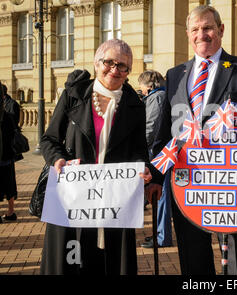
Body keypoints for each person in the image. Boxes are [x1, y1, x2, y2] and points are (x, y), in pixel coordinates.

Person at [148, 5, 237, 275]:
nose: (202, 34)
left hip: (233, 182)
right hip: (188, 180)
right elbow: (164, 130)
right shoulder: (175, 74)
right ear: (188, 34)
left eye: (208, 27)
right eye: (195, 29)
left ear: (221, 30)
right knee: (193, 256)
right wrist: (156, 177)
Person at [39, 39, 153, 275]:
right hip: (73, 200)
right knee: (71, 266)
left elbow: (139, 150)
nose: (114, 70)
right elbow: (49, 139)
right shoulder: (73, 95)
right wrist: (57, 159)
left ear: (129, 71)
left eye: (122, 66)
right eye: (109, 62)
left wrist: (142, 169)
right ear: (96, 63)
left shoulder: (135, 105)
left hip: (114, 203)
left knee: (109, 264)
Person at [137, 70, 173, 248]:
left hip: (158, 155)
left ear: (149, 85)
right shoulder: (161, 96)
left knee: (162, 195)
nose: (141, 91)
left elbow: (151, 127)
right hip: (162, 153)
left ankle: (162, 237)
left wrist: (141, 149)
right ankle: (160, 235)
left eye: (142, 87)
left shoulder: (156, 98)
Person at [0, 84, 21, 222]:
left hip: (5, 154)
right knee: (9, 184)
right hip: (7, 155)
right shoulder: (6, 116)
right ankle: (11, 212)